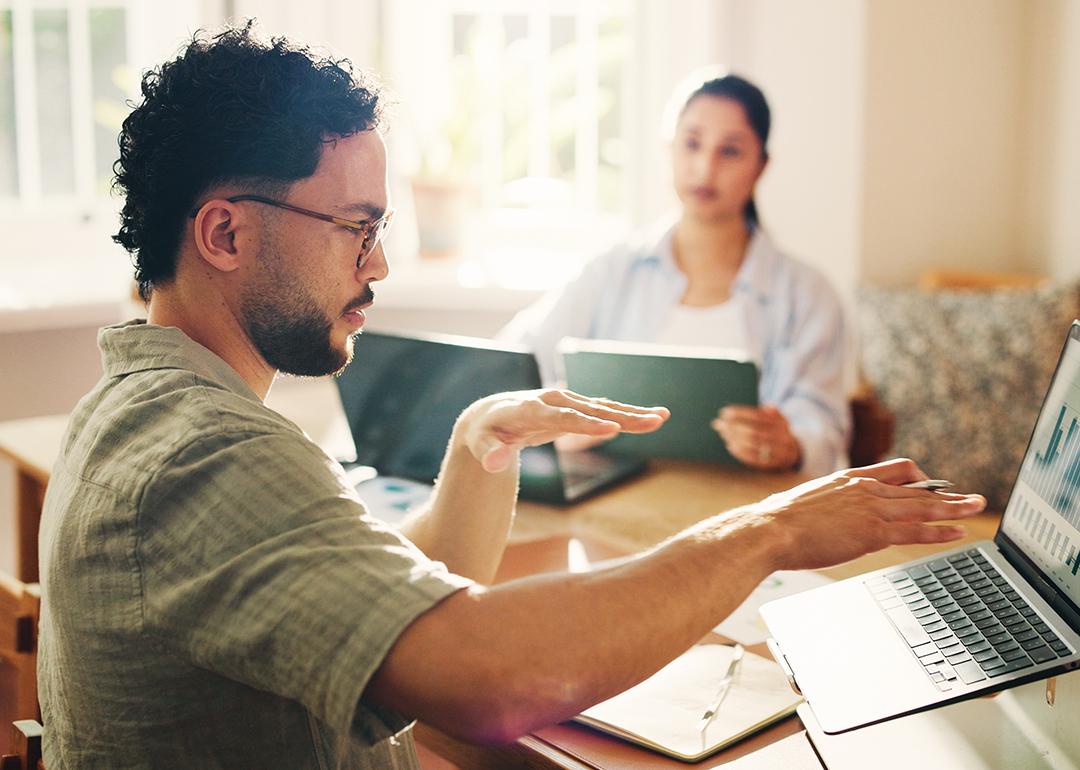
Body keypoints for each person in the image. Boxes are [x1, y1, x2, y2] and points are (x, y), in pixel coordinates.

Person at [36, 24, 986, 770]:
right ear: (225, 234)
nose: (380, 264)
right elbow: (490, 677)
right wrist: (768, 532)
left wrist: (476, 447)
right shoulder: (206, 453)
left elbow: (378, 613)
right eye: (354, 228)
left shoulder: (143, 408)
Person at [501, 73, 848, 477]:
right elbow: (510, 366)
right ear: (669, 149)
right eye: (692, 143)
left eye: (730, 151)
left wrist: (790, 446)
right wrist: (551, 420)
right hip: (611, 509)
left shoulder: (808, 294)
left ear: (761, 166)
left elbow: (823, 431)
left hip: (753, 511)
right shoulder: (612, 270)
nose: (704, 167)